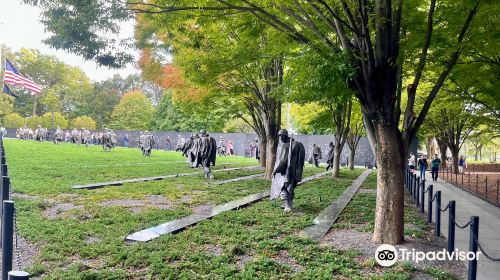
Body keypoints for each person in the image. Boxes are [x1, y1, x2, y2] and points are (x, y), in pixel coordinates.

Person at [272, 129, 305, 212]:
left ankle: (288, 206)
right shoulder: (298, 144)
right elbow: (301, 160)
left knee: (283, 187)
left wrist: (275, 171)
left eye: (280, 136)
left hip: (287, 172)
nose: (279, 138)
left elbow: (282, 161)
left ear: (282, 136)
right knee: (290, 188)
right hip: (296, 172)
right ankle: (289, 204)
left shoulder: (286, 146)